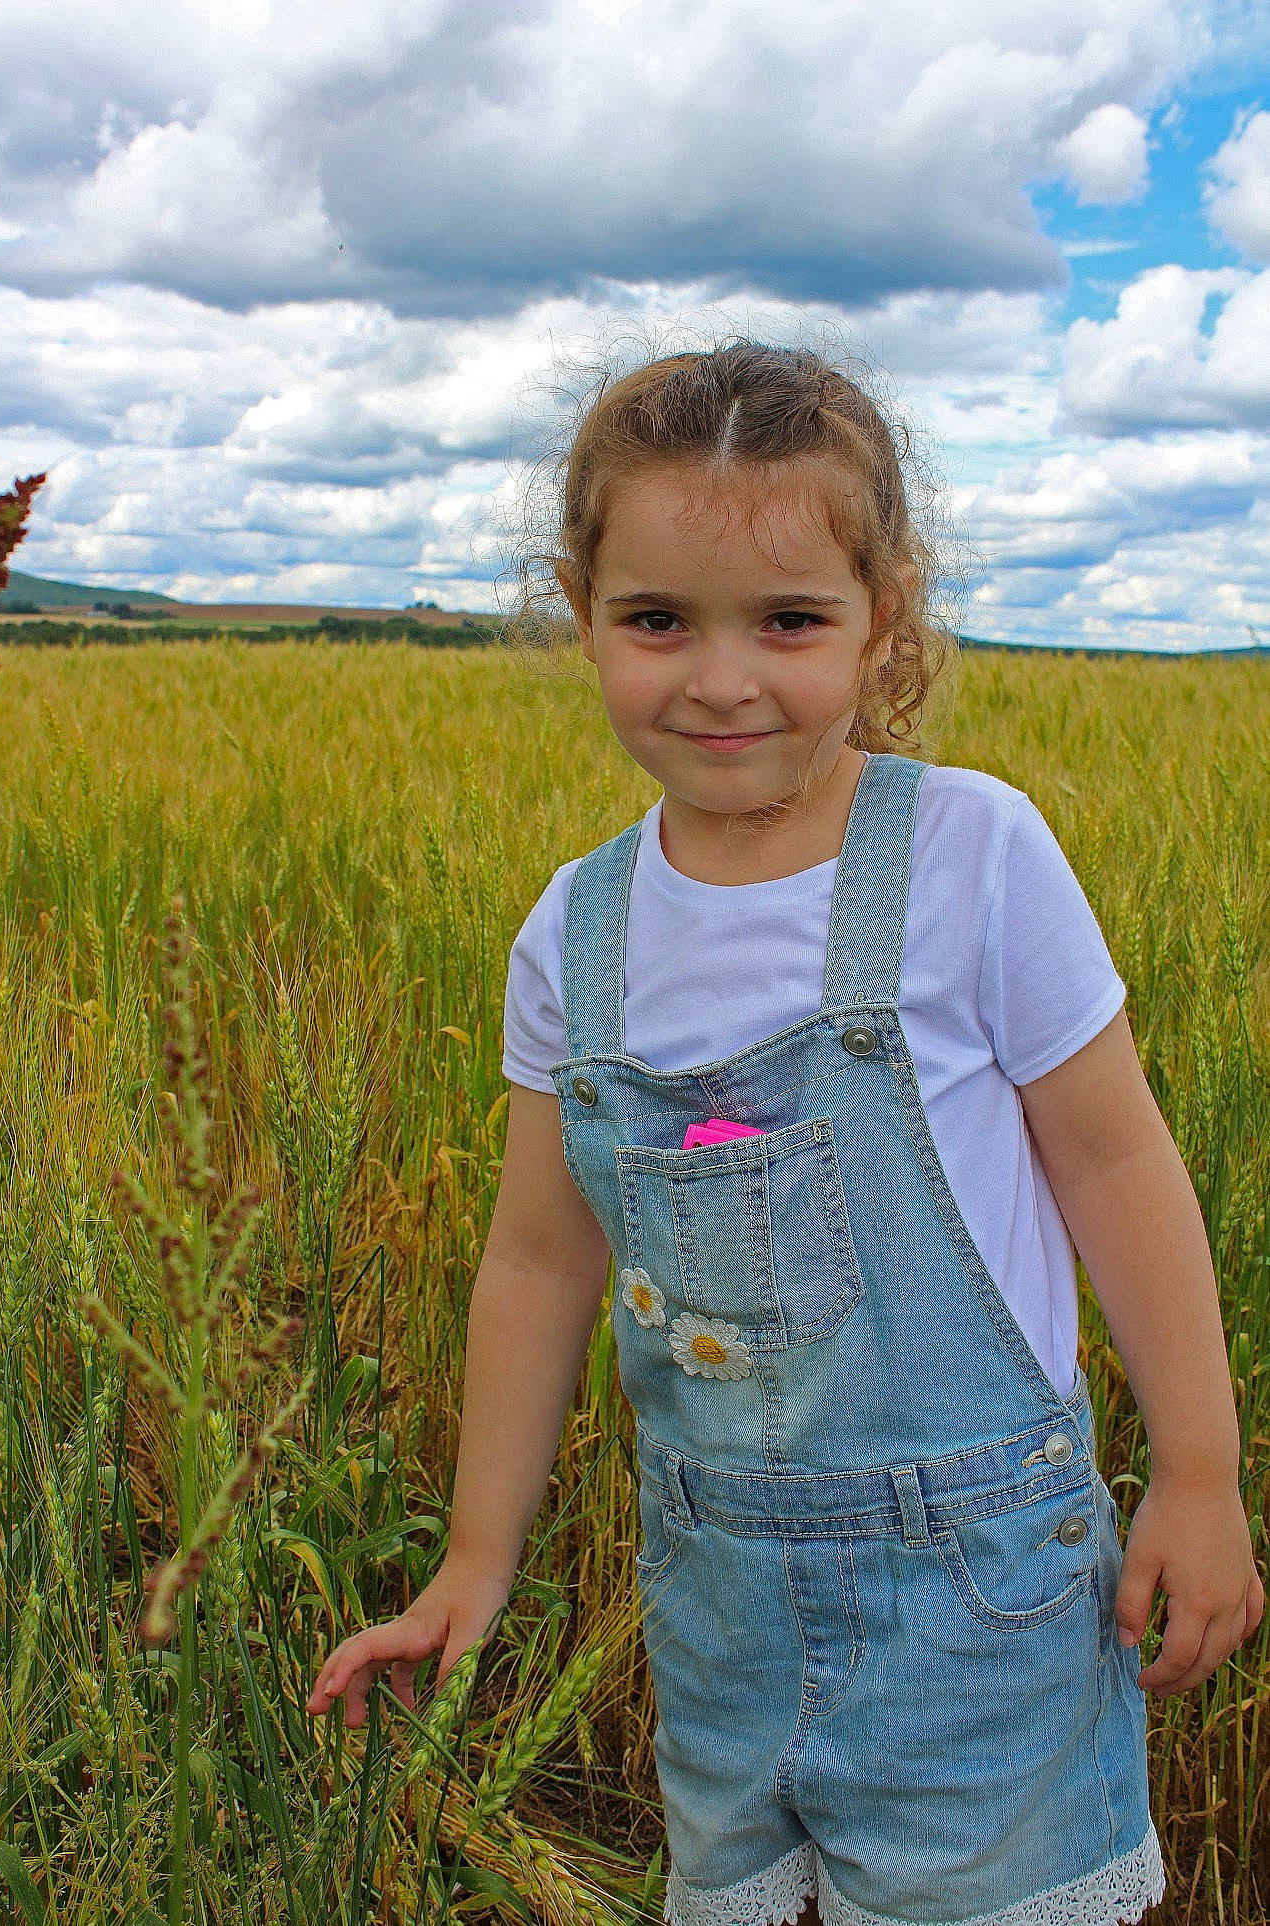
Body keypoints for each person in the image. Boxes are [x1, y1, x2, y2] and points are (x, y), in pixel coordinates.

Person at [307, 339, 1263, 1926]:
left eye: (793, 620)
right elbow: (541, 1257)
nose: (723, 676)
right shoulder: (577, 933)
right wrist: (474, 1564)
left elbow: (1115, 1161)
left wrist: (1203, 1467)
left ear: (883, 614)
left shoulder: (970, 852)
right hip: (718, 1619)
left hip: (981, 1613)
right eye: (658, 619)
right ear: (581, 607)